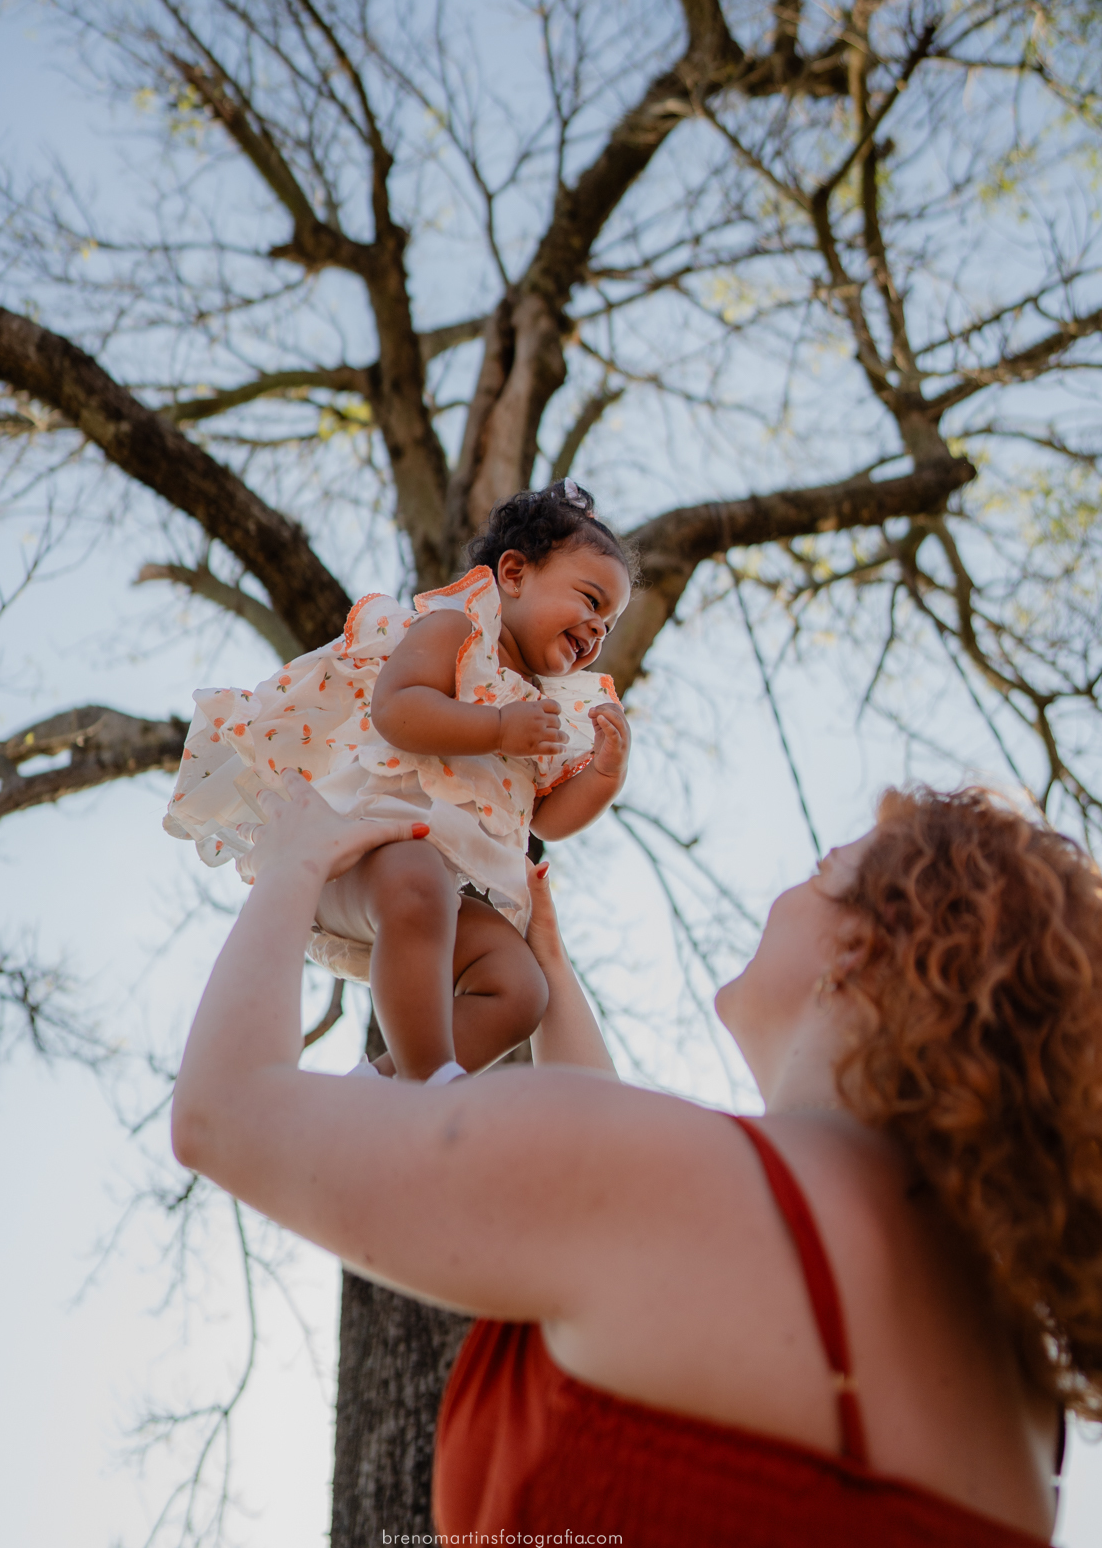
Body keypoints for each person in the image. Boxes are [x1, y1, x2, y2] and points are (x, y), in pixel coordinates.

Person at [170, 780, 1102, 1544]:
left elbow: (226, 1111)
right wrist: (552, 976)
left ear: (857, 945)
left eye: (822, 872)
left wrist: (294, 863)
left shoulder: (678, 1192)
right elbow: (645, 1241)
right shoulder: (1023, 1403)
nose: (786, 893)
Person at [163, 479, 632, 1080]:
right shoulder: (455, 634)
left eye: (610, 626)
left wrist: (602, 776)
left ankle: (386, 1092)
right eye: (591, 601)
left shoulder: (543, 707)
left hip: (442, 894)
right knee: (418, 876)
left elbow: (545, 817)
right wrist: (496, 729)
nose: (597, 631)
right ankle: (433, 1078)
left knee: (520, 987)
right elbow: (398, 710)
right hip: (362, 854)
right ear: (513, 574)